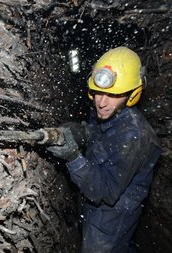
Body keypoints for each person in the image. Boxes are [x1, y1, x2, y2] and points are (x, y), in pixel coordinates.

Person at [47, 46, 162, 253]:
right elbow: (97, 134)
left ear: (133, 94)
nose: (101, 102)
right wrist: (81, 132)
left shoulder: (135, 137)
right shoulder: (110, 111)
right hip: (94, 199)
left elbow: (105, 192)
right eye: (98, 92)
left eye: (113, 94)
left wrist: (73, 157)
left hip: (112, 215)